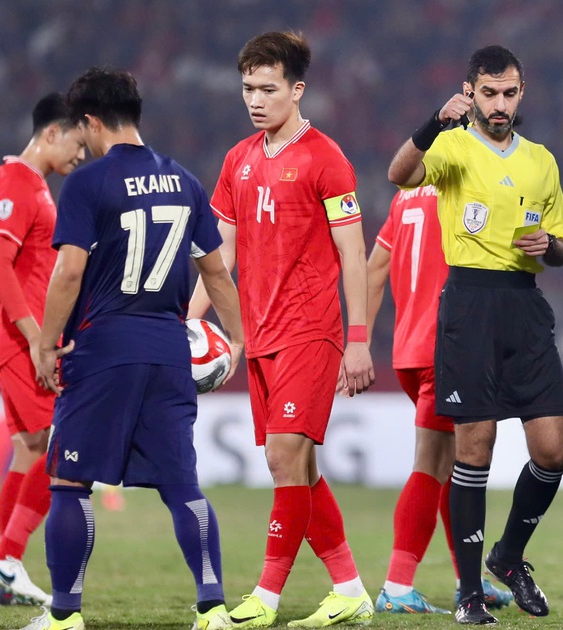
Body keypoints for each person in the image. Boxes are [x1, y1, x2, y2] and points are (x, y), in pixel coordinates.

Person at [22, 67, 244, 630]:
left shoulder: (87, 184)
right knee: (181, 484)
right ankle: (213, 609)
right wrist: (237, 340)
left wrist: (46, 345)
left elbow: (69, 274)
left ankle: (65, 615)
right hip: (170, 348)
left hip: (105, 347)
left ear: (92, 122)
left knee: (70, 481)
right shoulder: (185, 181)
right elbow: (216, 273)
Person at [186, 31, 376, 629]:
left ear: (296, 90)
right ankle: (349, 590)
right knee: (302, 471)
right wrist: (192, 319)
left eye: (267, 88)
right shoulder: (238, 159)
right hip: (259, 335)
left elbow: (353, 254)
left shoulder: (326, 158)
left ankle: (264, 599)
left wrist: (360, 338)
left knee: (282, 457)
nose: (255, 99)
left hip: (310, 330)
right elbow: (221, 255)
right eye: (248, 88)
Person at [388, 44, 563, 625]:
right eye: (489, 93)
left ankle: (509, 556)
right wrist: (431, 123)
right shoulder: (452, 145)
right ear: (470, 93)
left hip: (525, 305)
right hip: (468, 303)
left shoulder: (541, 159)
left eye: (509, 93)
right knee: (474, 450)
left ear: (522, 93)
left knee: (553, 450)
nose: (500, 104)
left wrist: (551, 247)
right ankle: (469, 595)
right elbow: (399, 175)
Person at [366, 186, 514, 615]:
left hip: (409, 348)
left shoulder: (406, 195)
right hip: (447, 345)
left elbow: (375, 266)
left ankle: (468, 581)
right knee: (432, 464)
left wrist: (362, 337)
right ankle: (397, 586)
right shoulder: (467, 187)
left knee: (452, 466)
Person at [0, 92, 85, 608]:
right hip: (21, 342)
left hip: (15, 340)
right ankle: (8, 555)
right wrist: (36, 338)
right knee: (64, 445)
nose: (80, 158)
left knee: (30, 448)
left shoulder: (30, 184)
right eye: (77, 146)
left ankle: (6, 580)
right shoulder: (17, 182)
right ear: (51, 134)